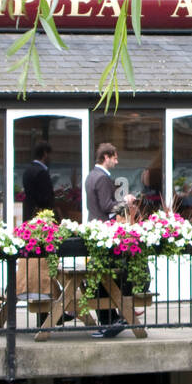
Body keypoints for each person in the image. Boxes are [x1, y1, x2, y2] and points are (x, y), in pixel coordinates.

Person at [84, 143, 126, 337]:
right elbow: (107, 206)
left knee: (99, 277)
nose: (116, 162)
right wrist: (126, 202)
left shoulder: (91, 176)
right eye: (115, 158)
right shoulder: (101, 178)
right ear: (106, 157)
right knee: (106, 277)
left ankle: (110, 320)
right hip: (103, 233)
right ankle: (112, 320)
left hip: (94, 228)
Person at [22, 142, 56, 221]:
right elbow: (45, 197)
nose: (51, 157)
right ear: (45, 153)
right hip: (40, 214)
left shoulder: (28, 170)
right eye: (50, 154)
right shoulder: (41, 172)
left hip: (29, 211)